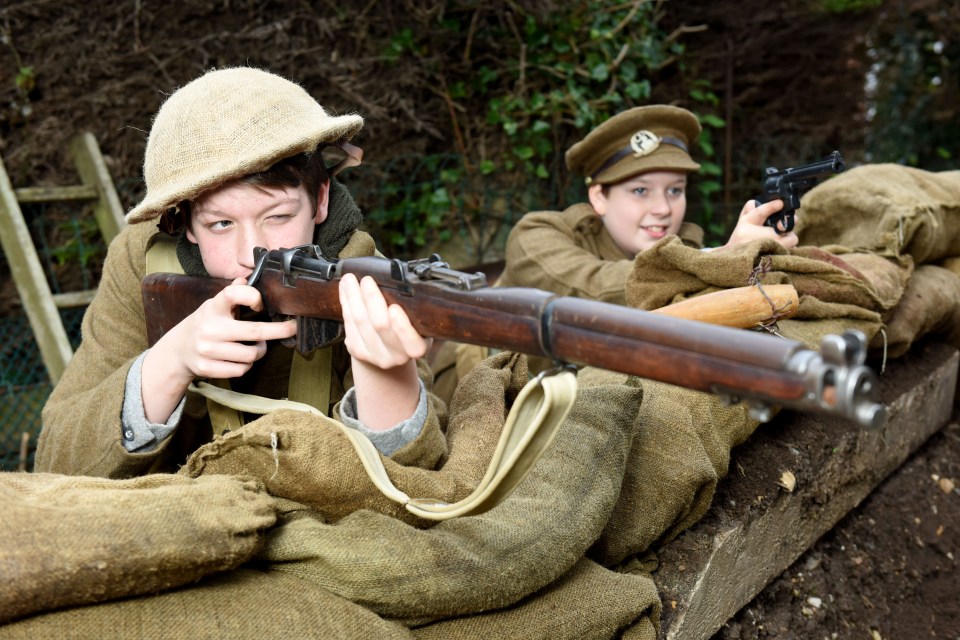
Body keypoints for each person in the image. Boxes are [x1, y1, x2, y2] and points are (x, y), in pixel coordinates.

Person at [35, 67, 445, 477]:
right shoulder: (141, 262)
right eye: (220, 224)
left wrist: (386, 377)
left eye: (279, 215)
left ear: (320, 200)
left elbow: (421, 477)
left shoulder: (359, 273)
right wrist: (171, 362)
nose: (253, 253)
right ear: (185, 222)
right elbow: (56, 464)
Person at [496, 104, 798, 300]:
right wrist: (719, 258)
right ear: (600, 197)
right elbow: (593, 291)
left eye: (675, 190)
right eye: (641, 191)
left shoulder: (683, 249)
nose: (664, 209)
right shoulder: (536, 236)